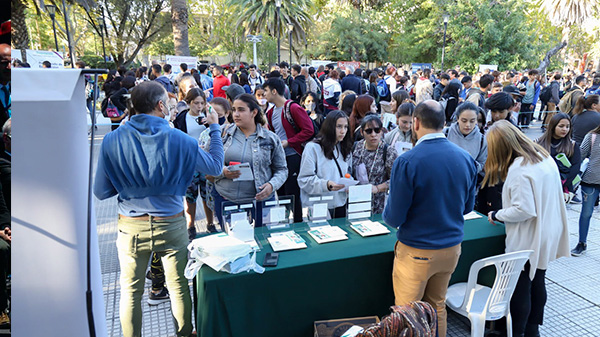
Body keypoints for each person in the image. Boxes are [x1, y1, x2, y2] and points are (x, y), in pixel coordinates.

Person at [94, 81, 224, 337]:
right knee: (178, 287)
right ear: (161, 105)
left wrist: (128, 184)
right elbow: (216, 167)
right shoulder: (182, 140)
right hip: (172, 222)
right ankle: (185, 333)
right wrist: (216, 128)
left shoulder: (111, 140)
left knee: (130, 291)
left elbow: (101, 192)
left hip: (130, 225)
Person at [383, 100, 477, 337]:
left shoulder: (407, 161)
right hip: (451, 248)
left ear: (415, 123)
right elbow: (467, 208)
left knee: (407, 313)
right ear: (445, 123)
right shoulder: (465, 158)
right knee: (438, 305)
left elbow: (394, 217)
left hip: (417, 251)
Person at [484, 120, 569, 337]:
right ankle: (533, 329)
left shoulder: (519, 170)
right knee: (538, 280)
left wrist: (497, 214)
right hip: (548, 230)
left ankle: (517, 332)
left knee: (520, 287)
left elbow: (524, 210)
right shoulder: (542, 156)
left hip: (529, 237)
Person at [210, 94, 288, 228]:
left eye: (241, 110)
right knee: (234, 242)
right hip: (227, 200)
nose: (236, 114)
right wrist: (222, 171)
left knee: (262, 240)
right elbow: (208, 162)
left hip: (260, 202)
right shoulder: (222, 134)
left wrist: (271, 185)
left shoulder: (270, 139)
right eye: (234, 110)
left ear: (254, 112)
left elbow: (282, 169)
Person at [264, 78, 315, 223]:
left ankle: (298, 224)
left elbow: (308, 130)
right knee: (281, 192)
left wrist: (289, 142)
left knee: (293, 193)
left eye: (266, 91)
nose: (264, 94)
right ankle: (285, 222)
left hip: (294, 156)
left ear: (274, 91)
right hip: (279, 157)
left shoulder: (293, 108)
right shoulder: (270, 112)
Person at [298, 110, 353, 219]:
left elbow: (346, 173)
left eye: (346, 127)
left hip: (340, 203)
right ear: (330, 127)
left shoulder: (344, 148)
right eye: (339, 127)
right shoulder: (312, 148)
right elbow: (304, 180)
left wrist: (349, 182)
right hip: (318, 205)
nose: (343, 131)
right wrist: (326, 184)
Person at [351, 115, 398, 214]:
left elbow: (397, 178)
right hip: (356, 202)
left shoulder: (388, 151)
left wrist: (378, 188)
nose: (373, 134)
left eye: (377, 130)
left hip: (379, 205)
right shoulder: (356, 147)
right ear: (362, 132)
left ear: (381, 131)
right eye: (369, 131)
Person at [536, 113, 581, 203]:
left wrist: (564, 184)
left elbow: (576, 166)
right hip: (543, 184)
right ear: (553, 126)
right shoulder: (538, 143)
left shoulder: (572, 145)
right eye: (561, 126)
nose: (565, 129)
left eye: (567, 126)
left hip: (564, 186)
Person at [571, 124, 600, 256]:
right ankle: (582, 242)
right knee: (586, 213)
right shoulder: (592, 136)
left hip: (592, 180)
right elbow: (580, 155)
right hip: (590, 180)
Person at [445, 102, 488, 176]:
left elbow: (481, 163)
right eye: (464, 121)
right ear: (458, 119)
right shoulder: (446, 133)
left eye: (472, 121)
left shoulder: (482, 140)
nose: (468, 125)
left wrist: (469, 168)